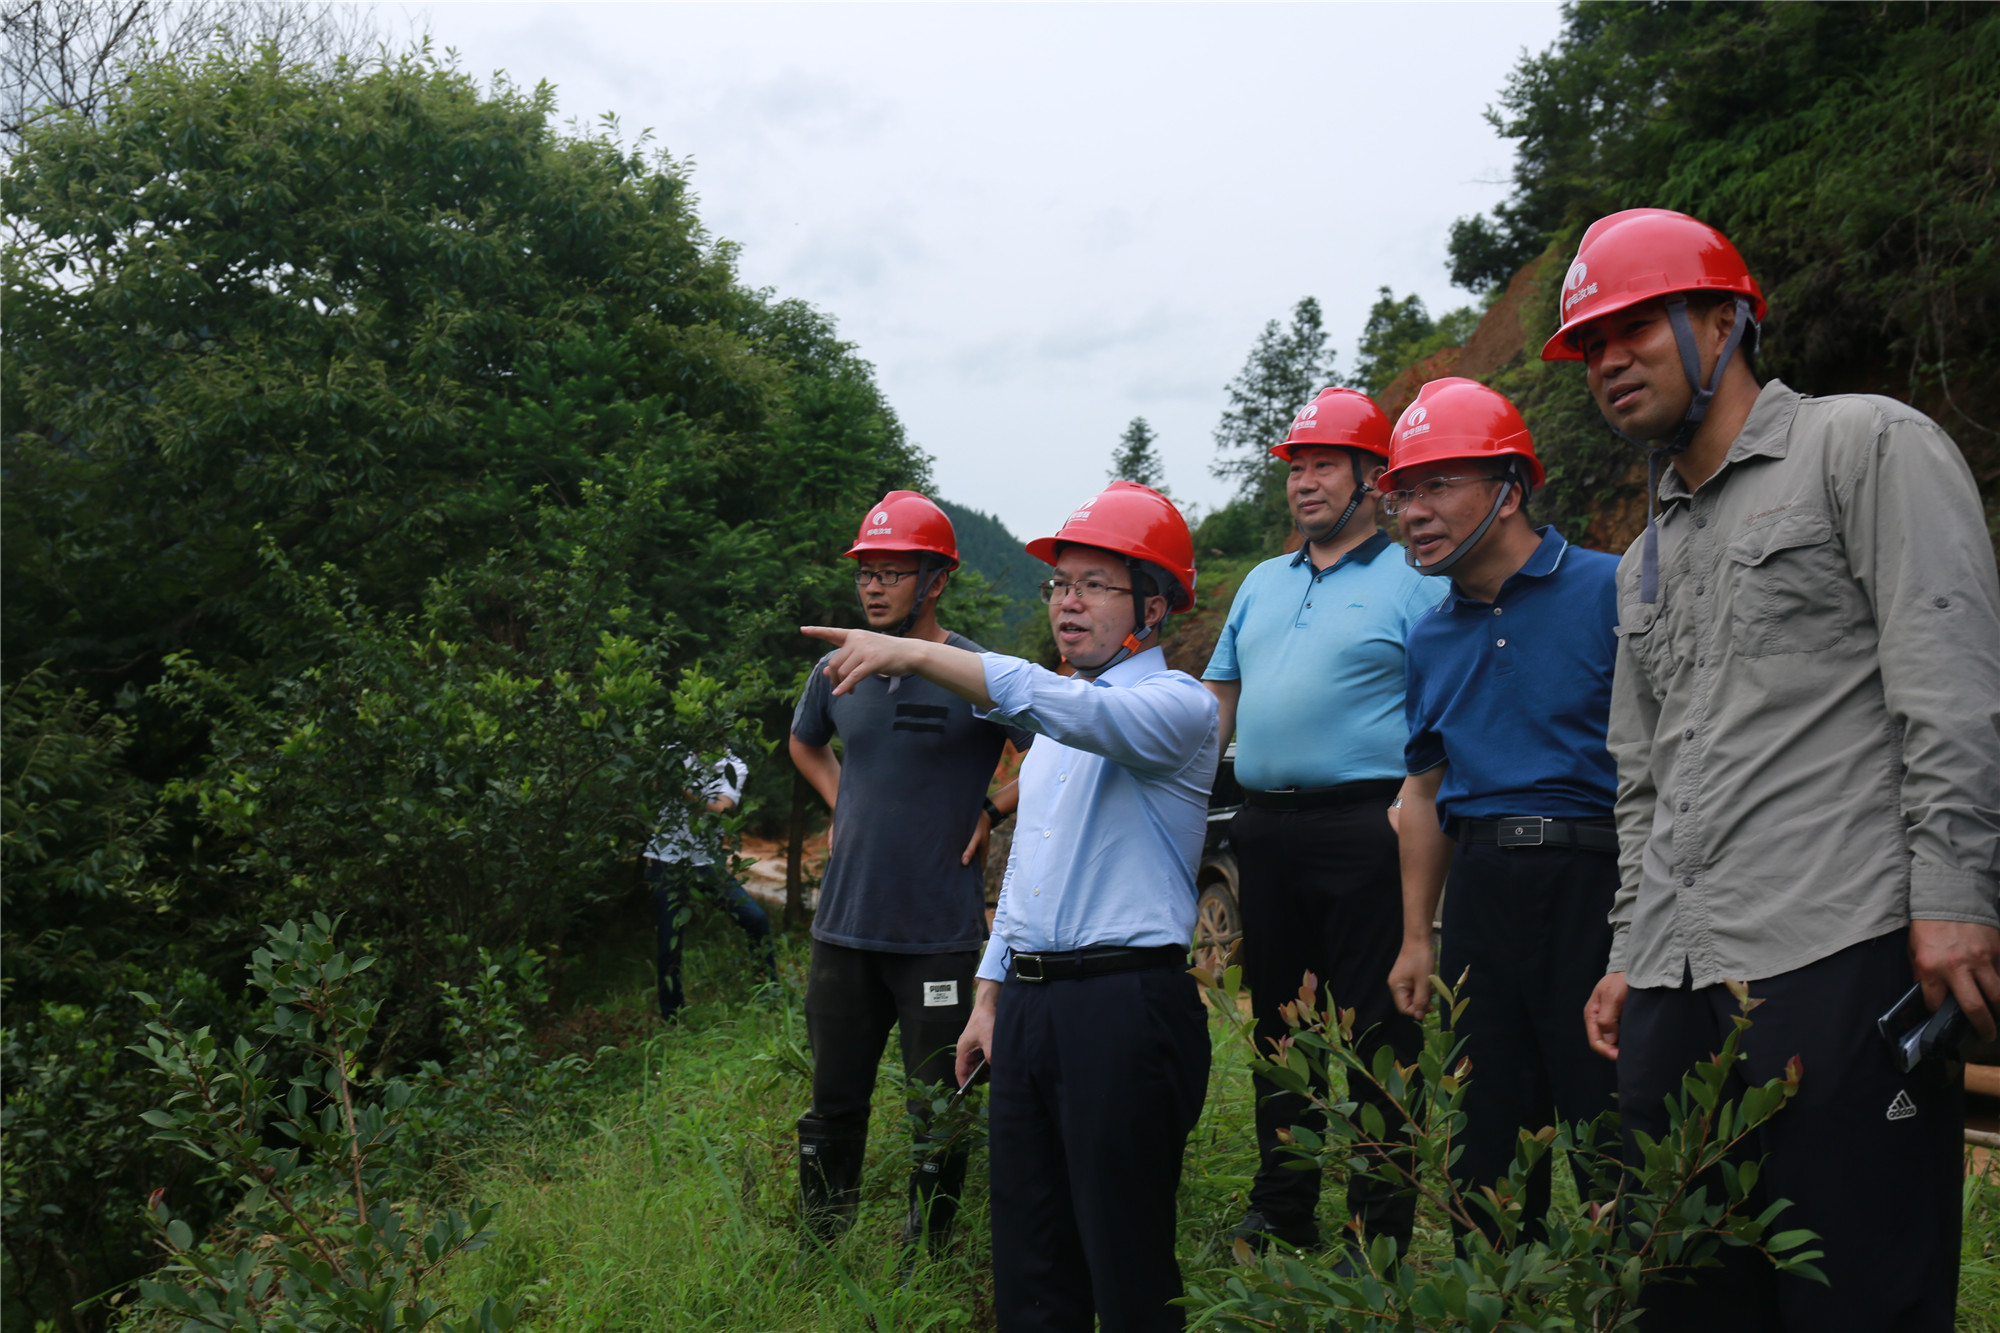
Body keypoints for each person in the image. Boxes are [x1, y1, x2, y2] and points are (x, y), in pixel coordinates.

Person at [1550, 208, 2000, 1331]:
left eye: (1633, 327)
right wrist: (1625, 951)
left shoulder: (1863, 446)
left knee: (1854, 1294)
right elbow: (1640, 773)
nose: (1607, 360)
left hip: (1834, 947)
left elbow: (1947, 682)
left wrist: (1951, 895)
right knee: (1683, 1292)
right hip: (1671, 980)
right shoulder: (1642, 556)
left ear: (1721, 317)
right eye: (1589, 344)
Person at [803, 480, 1220, 1332]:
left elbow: (1055, 702)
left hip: (1124, 1003)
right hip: (1030, 1005)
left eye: (1093, 584)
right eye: (1060, 584)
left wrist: (915, 654)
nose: (1068, 601)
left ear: (1153, 602)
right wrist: (991, 996)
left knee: (1128, 1260)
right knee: (1030, 1260)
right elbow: (1031, 866)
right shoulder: (1062, 731)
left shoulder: (1173, 707)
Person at [1199, 387, 1446, 1257]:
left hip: (1367, 829)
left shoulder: (1415, 583)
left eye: (1324, 465)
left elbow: (1443, 710)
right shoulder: (1262, 583)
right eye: (1297, 467)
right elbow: (1217, 703)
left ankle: (1376, 1225)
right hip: (1264, 828)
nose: (1305, 483)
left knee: (1380, 1028)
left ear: (1372, 478)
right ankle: (1284, 1206)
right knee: (1279, 1025)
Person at [1378, 377, 1620, 1247]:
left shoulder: (1613, 589)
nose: (1413, 511)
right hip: (1481, 891)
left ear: (1511, 487)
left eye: (1438, 484)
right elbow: (1425, 788)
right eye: (1403, 491)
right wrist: (1417, 935)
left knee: (1612, 1127)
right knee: (1489, 1137)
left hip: (1598, 882)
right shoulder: (1429, 635)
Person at [788, 490, 1027, 1262]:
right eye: (867, 572)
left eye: (893, 572)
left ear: (935, 581)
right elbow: (806, 744)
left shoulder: (977, 673)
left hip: (939, 938)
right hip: (844, 932)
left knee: (940, 1104)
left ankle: (929, 1253)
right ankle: (821, 1243)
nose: (874, 586)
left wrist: (992, 808)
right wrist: (843, 802)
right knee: (833, 1101)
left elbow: (1063, 744)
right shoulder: (835, 668)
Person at [646, 749, 775, 1019]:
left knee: (756, 918)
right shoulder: (674, 750)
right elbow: (655, 786)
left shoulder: (734, 765)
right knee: (669, 941)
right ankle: (672, 1016)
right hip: (665, 859)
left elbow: (722, 808)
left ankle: (769, 992)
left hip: (705, 862)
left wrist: (682, 789)